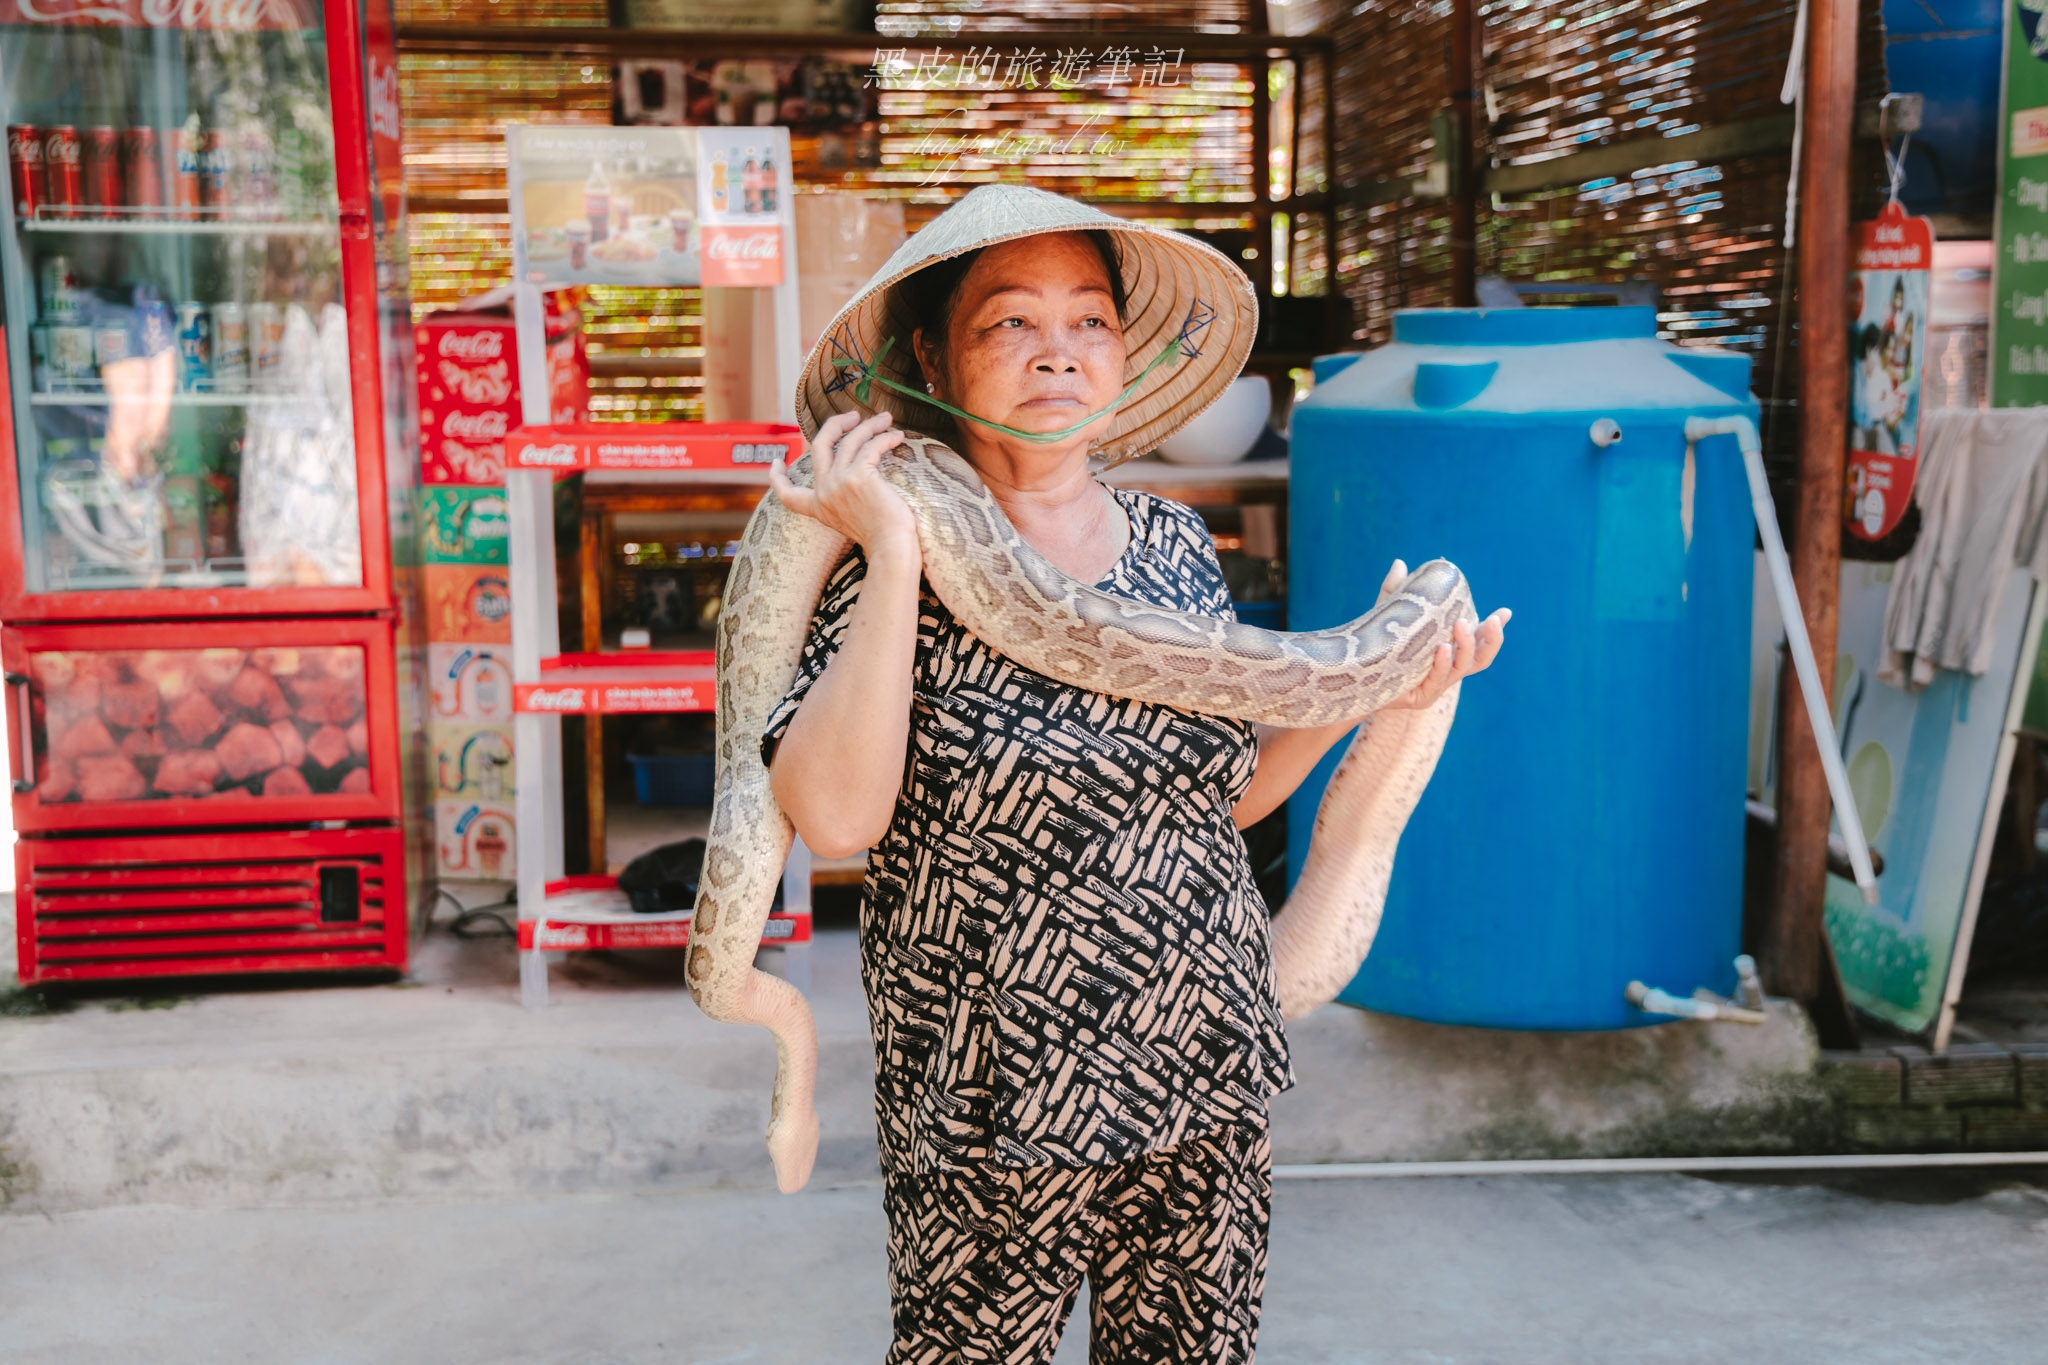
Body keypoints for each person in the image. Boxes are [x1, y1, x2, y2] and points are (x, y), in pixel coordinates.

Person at [762, 186, 1507, 1363]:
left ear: (1120, 348)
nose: (1055, 353)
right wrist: (901, 545)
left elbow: (1213, 798)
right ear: (930, 357)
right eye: (1008, 322)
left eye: (1088, 321)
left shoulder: (1166, 546)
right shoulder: (870, 562)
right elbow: (838, 817)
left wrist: (1365, 686)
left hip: (1202, 1058)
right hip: (993, 1096)